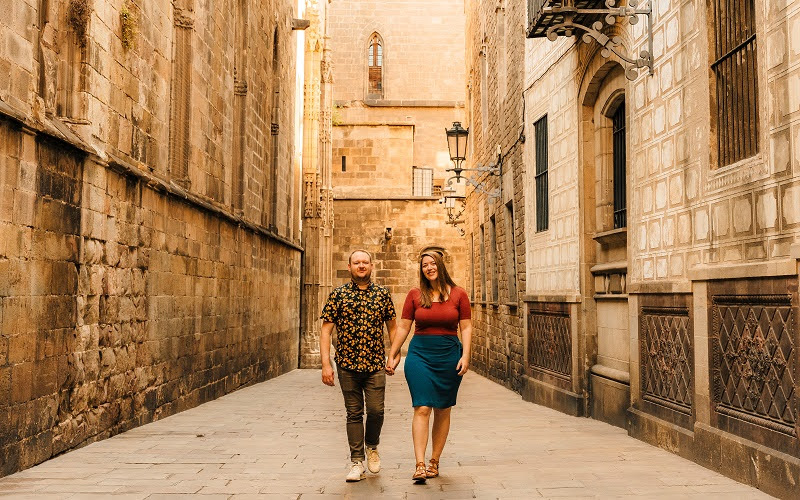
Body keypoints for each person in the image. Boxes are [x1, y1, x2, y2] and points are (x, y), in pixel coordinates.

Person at [386, 251, 472, 483]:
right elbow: (404, 327)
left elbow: (465, 327)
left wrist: (465, 355)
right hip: (420, 355)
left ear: (441, 265)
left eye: (433, 263)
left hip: (449, 356)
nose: (429, 267)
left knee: (443, 408)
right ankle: (420, 464)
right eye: (425, 265)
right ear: (421, 269)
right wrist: (392, 354)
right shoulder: (415, 295)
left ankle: (434, 461)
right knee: (422, 407)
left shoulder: (459, 294)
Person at [320, 249, 397, 482]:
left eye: (365, 262)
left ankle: (372, 446)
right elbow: (326, 331)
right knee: (354, 413)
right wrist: (326, 364)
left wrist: (393, 354)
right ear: (349, 266)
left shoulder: (382, 294)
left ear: (372, 266)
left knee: (376, 411)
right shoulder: (338, 295)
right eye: (357, 262)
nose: (361, 266)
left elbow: (393, 327)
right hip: (346, 365)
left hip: (375, 364)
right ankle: (356, 462)